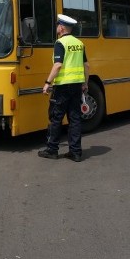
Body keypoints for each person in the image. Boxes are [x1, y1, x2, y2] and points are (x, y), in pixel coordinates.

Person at [38, 14, 90, 162]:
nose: (56, 28)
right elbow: (87, 66)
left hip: (62, 87)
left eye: (57, 26)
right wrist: (85, 83)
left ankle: (52, 150)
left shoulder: (60, 43)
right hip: (76, 87)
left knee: (56, 118)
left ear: (61, 27)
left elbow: (58, 65)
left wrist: (47, 82)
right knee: (75, 119)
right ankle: (76, 152)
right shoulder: (79, 43)